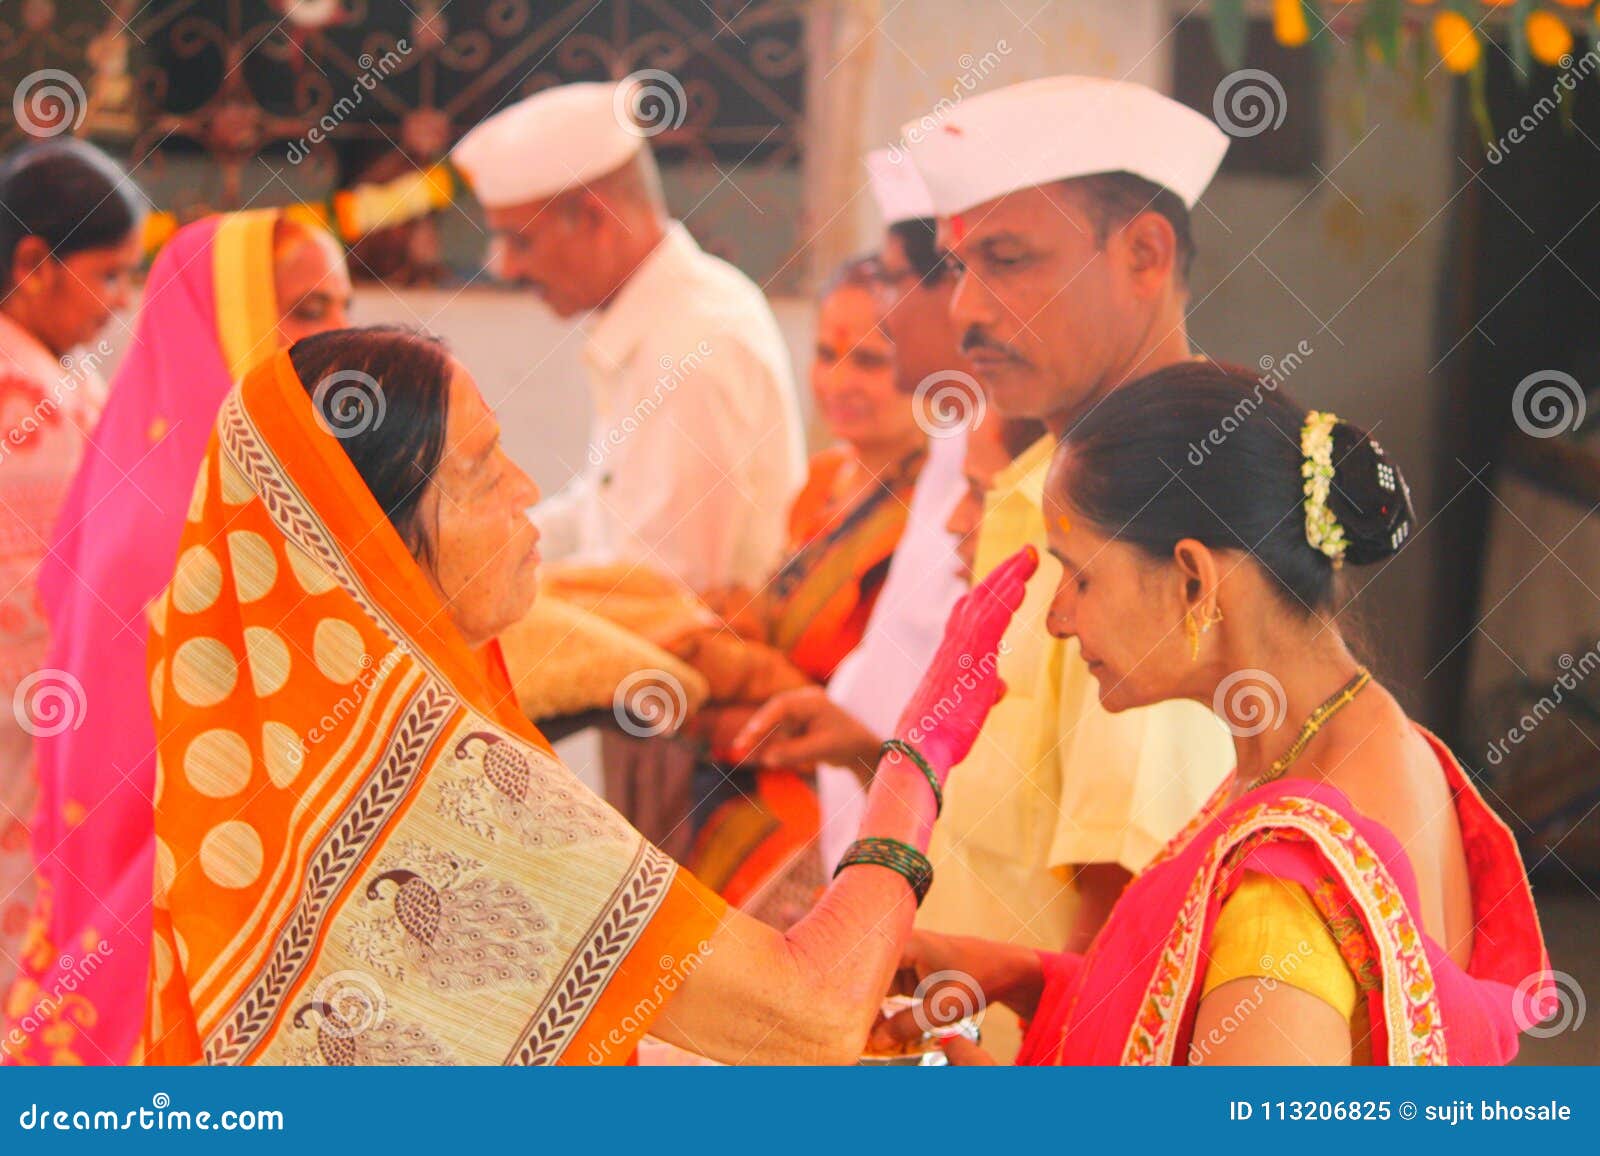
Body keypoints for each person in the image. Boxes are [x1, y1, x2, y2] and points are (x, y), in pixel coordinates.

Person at [139, 325, 1034, 1065]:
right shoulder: (445, 782)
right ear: (374, 536)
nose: (525, 490)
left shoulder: (294, 762)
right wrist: (913, 758)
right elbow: (812, 1015)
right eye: (485, 469)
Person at [876, 362, 1548, 1066]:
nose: (1058, 618)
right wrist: (1024, 976)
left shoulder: (1298, 872)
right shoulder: (1355, 745)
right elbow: (1196, 1013)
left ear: (1193, 581)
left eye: (1080, 576)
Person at [900, 76, 1242, 1054]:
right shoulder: (1048, 481)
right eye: (957, 264)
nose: (963, 308)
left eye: (1006, 261)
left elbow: (1131, 902)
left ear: (1144, 254)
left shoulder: (1155, 507)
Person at [2, 210, 350, 1065]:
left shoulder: (232, 462)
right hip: (175, 878)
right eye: (306, 310)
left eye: (344, 302)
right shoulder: (186, 501)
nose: (341, 333)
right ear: (223, 317)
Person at [451, 80, 804, 592]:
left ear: (595, 217)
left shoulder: (691, 343)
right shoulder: (665, 314)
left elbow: (658, 593)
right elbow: (597, 515)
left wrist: (484, 594)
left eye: (521, 241)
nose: (505, 267)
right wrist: (472, 559)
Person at [686, 255, 927, 925]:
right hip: (741, 772)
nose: (839, 381)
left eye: (871, 361)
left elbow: (889, 702)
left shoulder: (936, 521)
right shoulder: (822, 484)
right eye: (827, 354)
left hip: (834, 796)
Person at [0, 139, 142, 1006]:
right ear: (33, 263)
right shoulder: (22, 403)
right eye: (110, 274)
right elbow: (48, 609)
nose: (119, 303)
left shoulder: (50, 378)